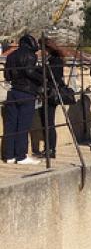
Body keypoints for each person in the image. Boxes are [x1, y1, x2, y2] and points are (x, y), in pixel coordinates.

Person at [2, 34, 43, 164]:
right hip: (27, 92)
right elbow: (29, 72)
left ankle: (9, 155)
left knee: (10, 125)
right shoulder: (31, 55)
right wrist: (43, 79)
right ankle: (21, 156)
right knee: (23, 126)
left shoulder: (10, 56)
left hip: (12, 92)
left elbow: (7, 75)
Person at [33, 38, 66, 158]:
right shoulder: (52, 59)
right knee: (47, 122)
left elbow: (54, 76)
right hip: (48, 93)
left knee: (48, 122)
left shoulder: (54, 61)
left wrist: (38, 72)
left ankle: (50, 149)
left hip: (50, 94)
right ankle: (49, 148)